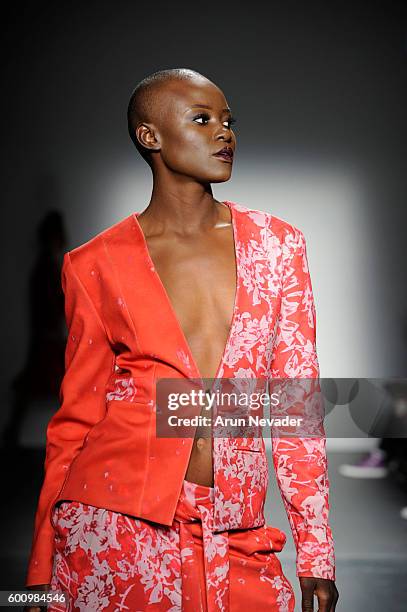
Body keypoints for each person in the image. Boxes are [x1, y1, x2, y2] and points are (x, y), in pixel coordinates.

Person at [24, 68, 339, 611]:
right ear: (151, 137)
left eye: (228, 121)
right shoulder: (93, 264)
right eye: (202, 119)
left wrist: (317, 556)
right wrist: (39, 573)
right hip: (114, 521)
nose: (225, 133)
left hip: (235, 524)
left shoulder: (277, 245)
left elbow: (296, 407)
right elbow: (75, 419)